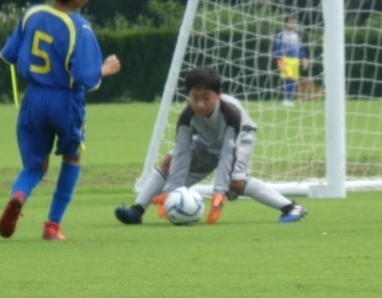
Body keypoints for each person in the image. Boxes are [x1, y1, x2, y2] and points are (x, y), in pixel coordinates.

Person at [0, 0, 122, 241]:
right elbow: (86, 77)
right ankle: (52, 226)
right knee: (72, 157)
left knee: (35, 166)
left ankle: (18, 194)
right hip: (65, 101)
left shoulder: (32, 14)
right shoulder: (80, 27)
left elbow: (11, 55)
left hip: (34, 98)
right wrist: (106, 68)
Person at [114, 66, 307, 225]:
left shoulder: (231, 114)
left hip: (241, 138)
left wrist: (219, 193)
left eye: (206, 98)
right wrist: (171, 192)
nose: (199, 104)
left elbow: (227, 155)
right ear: (188, 95)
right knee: (170, 160)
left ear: (219, 94)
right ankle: (136, 211)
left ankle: (291, 207)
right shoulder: (187, 117)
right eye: (194, 98)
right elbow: (181, 155)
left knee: (235, 180)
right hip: (208, 141)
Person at [273, 16, 309, 107]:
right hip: (285, 59)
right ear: (286, 24)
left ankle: (290, 99)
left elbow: (300, 48)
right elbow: (277, 49)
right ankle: (285, 99)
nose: (293, 24)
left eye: (294, 22)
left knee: (293, 80)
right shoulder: (281, 35)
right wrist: (279, 62)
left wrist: (304, 59)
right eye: (291, 22)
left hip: (295, 60)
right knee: (286, 80)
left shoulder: (296, 35)